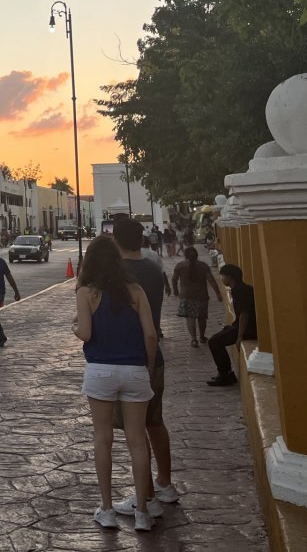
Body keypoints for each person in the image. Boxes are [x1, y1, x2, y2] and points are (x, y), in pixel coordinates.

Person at [74, 235, 158, 532]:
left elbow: (85, 334)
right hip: (134, 369)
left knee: (102, 438)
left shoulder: (87, 293)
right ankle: (142, 512)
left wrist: (75, 327)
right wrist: (146, 365)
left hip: (100, 371)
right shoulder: (135, 291)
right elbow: (150, 334)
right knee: (137, 440)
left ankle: (107, 509)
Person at [111, 217, 178, 516]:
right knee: (155, 422)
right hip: (154, 356)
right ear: (141, 239)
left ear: (116, 240)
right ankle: (165, 483)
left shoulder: (116, 275)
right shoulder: (153, 269)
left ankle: (146, 494)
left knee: (135, 430)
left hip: (127, 356)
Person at [207, 264, 257, 387]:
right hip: (242, 326)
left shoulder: (240, 291)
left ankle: (225, 374)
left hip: (248, 329)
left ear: (230, 277)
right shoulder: (241, 289)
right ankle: (226, 373)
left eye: (223, 276)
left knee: (214, 341)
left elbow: (244, 315)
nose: (222, 279)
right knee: (220, 336)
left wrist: (239, 336)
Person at [171, 246, 222, 347]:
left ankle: (194, 339)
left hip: (186, 295)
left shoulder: (180, 266)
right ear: (197, 255)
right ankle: (202, 337)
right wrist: (218, 293)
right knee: (202, 317)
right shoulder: (203, 266)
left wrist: (175, 290)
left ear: (185, 255)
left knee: (190, 318)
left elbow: (174, 279)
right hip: (201, 295)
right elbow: (211, 280)